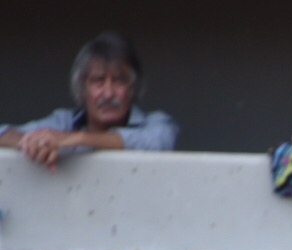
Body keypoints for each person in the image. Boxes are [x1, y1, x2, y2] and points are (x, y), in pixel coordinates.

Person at [0, 31, 177, 169]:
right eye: (98, 81)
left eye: (118, 81)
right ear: (82, 88)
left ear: (132, 88)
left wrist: (77, 139)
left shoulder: (157, 123)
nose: (108, 94)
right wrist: (29, 143)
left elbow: (156, 142)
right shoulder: (64, 122)